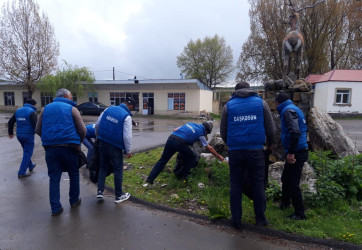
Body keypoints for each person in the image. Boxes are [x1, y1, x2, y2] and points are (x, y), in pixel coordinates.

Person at [220, 81, 275, 229]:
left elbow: (223, 130)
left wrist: (230, 143)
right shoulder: (261, 104)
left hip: (236, 151)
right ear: (249, 89)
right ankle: (261, 219)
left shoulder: (228, 106)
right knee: (258, 183)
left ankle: (236, 220)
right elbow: (270, 127)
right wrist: (270, 143)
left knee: (236, 184)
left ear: (235, 91)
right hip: (256, 150)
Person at [36, 88, 86, 216]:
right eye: (71, 96)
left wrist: (48, 140)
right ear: (65, 96)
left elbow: (38, 129)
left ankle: (55, 208)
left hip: (51, 149)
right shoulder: (72, 109)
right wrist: (77, 141)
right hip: (70, 147)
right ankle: (74, 200)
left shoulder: (45, 109)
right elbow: (82, 130)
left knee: (54, 178)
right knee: (74, 174)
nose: (72, 99)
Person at [145, 121, 225, 185]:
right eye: (207, 133)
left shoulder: (190, 124)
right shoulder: (201, 134)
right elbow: (209, 148)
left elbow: (175, 130)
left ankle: (150, 179)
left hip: (171, 139)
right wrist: (219, 157)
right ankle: (184, 178)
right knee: (192, 158)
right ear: (206, 131)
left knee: (163, 160)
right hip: (181, 143)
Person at [95, 97, 135, 203]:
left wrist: (98, 137)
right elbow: (127, 136)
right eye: (132, 108)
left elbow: (98, 124)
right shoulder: (126, 116)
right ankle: (118, 196)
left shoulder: (108, 109)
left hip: (102, 143)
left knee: (103, 167)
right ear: (130, 106)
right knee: (118, 170)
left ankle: (100, 191)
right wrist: (128, 150)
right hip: (115, 147)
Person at [275, 92, 308, 220]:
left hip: (297, 152)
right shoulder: (294, 109)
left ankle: (300, 213)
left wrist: (291, 152)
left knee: (293, 183)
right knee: (286, 178)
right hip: (299, 149)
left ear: (278, 103)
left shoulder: (288, 111)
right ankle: (285, 204)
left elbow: (294, 132)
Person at [8, 98, 38, 178]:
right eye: (35, 104)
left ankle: (30, 165)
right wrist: (41, 134)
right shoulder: (32, 112)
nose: (36, 106)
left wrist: (10, 132)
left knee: (26, 151)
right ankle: (21, 172)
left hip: (19, 136)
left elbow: (10, 122)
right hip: (28, 136)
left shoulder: (18, 111)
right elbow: (36, 125)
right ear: (33, 104)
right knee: (28, 153)